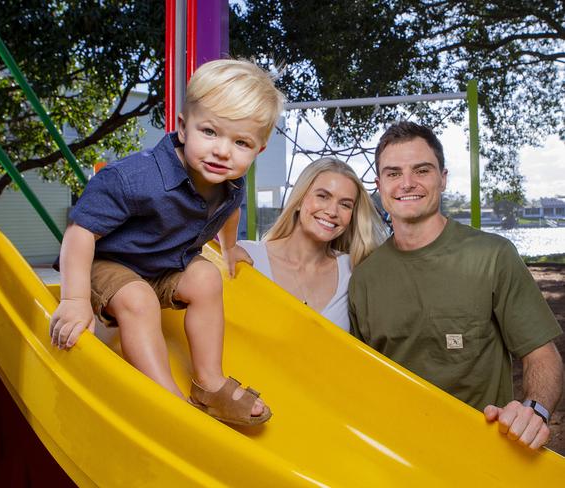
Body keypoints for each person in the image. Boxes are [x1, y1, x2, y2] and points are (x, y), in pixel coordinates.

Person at [49, 59, 285, 426]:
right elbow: (80, 233)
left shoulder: (231, 184)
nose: (223, 151)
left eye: (241, 142)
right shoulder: (134, 178)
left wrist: (230, 247)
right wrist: (75, 299)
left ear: (259, 150)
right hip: (107, 263)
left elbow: (231, 213)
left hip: (163, 265)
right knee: (138, 298)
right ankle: (163, 394)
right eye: (209, 131)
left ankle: (208, 381)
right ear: (182, 127)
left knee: (207, 277)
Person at [349, 121, 563, 449]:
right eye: (393, 173)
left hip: (484, 455)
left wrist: (534, 410)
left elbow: (541, 355)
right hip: (396, 456)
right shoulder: (364, 278)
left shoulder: (492, 255)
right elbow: (362, 381)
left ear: (443, 178)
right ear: (379, 185)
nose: (407, 183)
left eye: (421, 170)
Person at [239, 157, 387, 332]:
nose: (332, 212)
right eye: (323, 196)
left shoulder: (352, 271)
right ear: (300, 200)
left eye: (345, 205)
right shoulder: (247, 256)